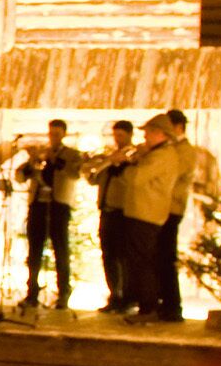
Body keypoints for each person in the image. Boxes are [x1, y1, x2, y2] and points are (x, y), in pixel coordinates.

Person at [116, 116, 182, 322]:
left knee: (142, 263)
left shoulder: (162, 155)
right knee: (139, 261)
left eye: (149, 132)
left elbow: (136, 179)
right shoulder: (157, 154)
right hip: (142, 213)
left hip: (146, 215)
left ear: (160, 134)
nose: (145, 136)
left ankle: (148, 308)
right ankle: (145, 306)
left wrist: (124, 164)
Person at [17, 119, 83, 311]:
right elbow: (20, 176)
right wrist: (31, 160)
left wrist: (55, 161)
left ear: (63, 134)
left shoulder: (71, 154)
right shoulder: (41, 153)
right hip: (38, 204)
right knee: (34, 251)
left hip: (58, 205)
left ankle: (63, 293)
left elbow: (75, 174)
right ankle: (32, 294)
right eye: (50, 133)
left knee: (60, 249)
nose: (52, 137)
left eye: (56, 133)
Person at [151, 110, 201, 322]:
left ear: (178, 127)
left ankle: (172, 306)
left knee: (165, 256)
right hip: (161, 207)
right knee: (158, 256)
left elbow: (174, 174)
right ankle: (164, 302)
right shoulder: (174, 149)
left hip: (171, 208)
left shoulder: (185, 151)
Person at [87, 121, 140, 314]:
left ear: (130, 135)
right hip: (106, 211)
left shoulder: (135, 156)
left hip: (124, 213)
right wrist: (108, 161)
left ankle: (128, 296)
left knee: (124, 257)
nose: (118, 139)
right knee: (108, 255)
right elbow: (91, 177)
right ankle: (114, 295)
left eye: (121, 136)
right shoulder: (108, 157)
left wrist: (123, 162)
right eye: (116, 136)